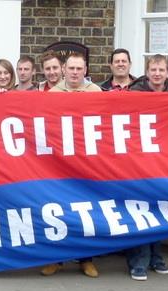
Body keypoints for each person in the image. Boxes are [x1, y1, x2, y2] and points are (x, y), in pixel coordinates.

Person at [37, 52, 102, 278]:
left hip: (87, 162)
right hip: (60, 162)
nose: (75, 72)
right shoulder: (52, 94)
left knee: (87, 212)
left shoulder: (96, 92)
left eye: (79, 69)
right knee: (59, 211)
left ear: (85, 70)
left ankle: (86, 260)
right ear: (64, 70)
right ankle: (57, 259)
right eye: (71, 68)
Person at [125, 54, 168, 280]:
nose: (157, 74)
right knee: (141, 210)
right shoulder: (134, 95)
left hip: (165, 162)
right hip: (139, 162)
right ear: (147, 72)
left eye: (161, 70)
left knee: (159, 210)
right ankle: (140, 259)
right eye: (153, 69)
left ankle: (157, 255)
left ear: (167, 72)